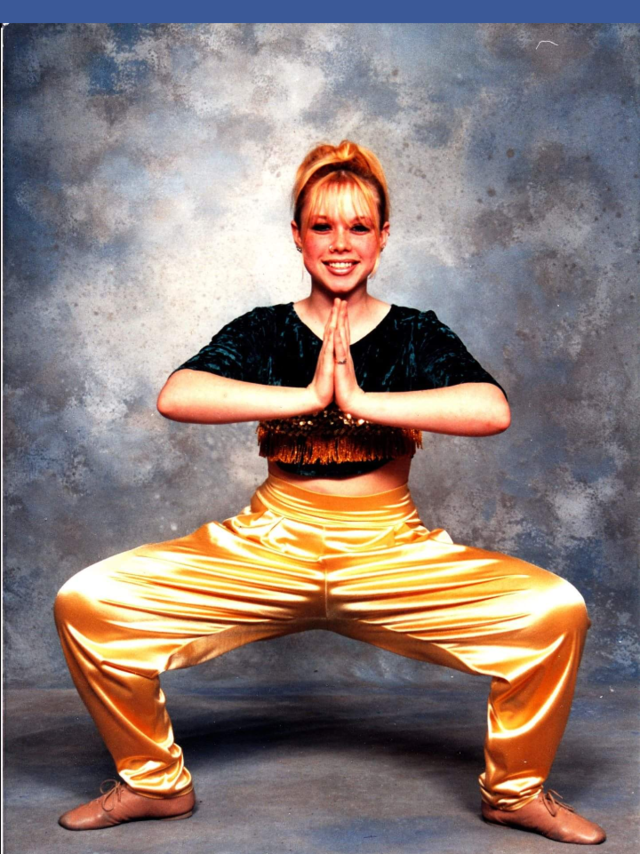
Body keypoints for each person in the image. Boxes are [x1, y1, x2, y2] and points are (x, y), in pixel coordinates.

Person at [54, 140, 605, 844]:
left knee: (554, 613)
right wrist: (310, 395)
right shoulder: (265, 329)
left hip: (388, 551)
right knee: (89, 603)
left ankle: (515, 793)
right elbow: (177, 395)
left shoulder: (415, 333)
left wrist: (363, 401)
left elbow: (491, 409)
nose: (340, 243)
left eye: (357, 227)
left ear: (382, 237)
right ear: (297, 236)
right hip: (270, 545)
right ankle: (152, 783)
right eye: (322, 226)